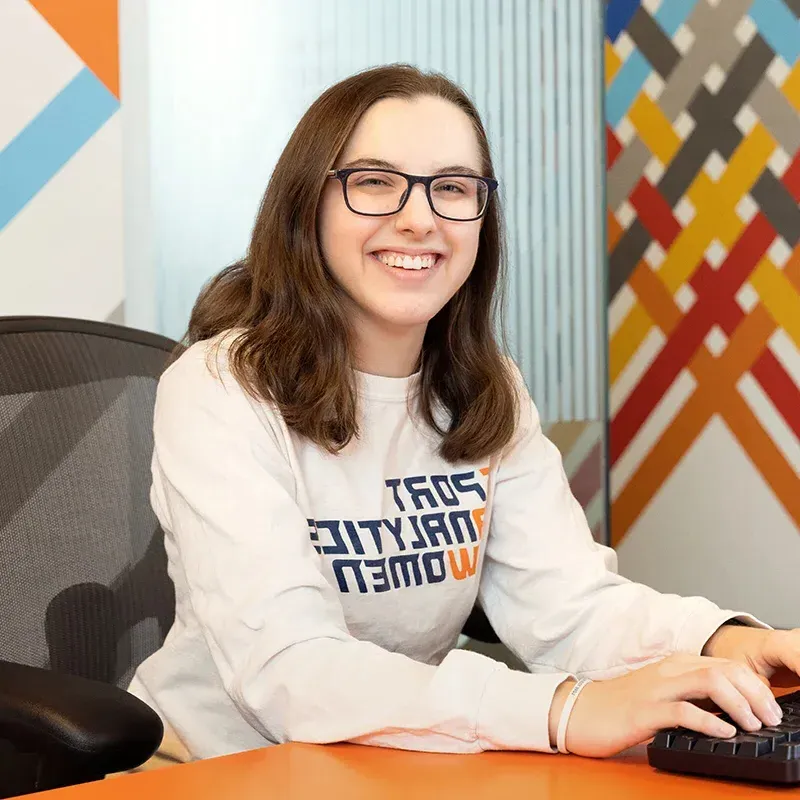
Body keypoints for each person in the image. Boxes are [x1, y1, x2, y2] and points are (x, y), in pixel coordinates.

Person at [127, 64, 800, 767]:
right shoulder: (220, 386)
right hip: (211, 765)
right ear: (308, 205)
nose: (418, 218)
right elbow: (290, 668)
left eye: (451, 188)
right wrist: (563, 709)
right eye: (375, 182)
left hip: (389, 766)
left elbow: (568, 605)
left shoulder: (485, 389)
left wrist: (735, 643)